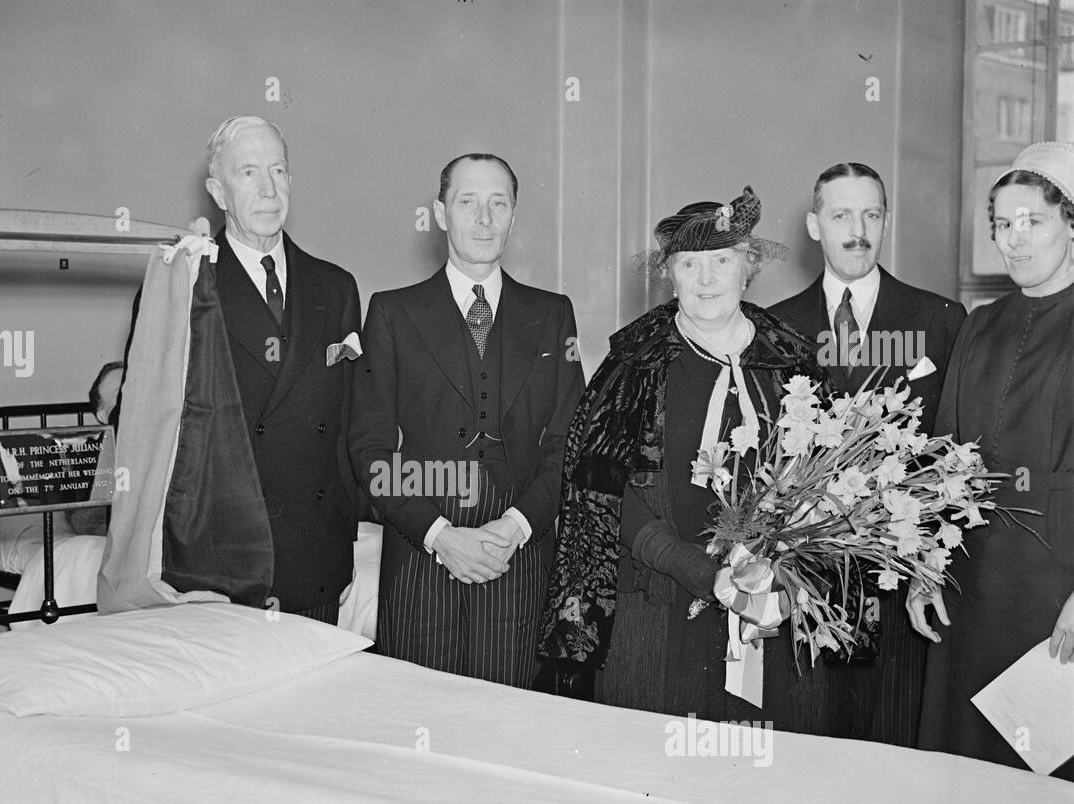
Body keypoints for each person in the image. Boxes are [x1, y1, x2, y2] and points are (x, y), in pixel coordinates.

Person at [539, 187, 832, 727]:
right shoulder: (633, 363)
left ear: (748, 267)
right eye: (688, 264)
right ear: (667, 275)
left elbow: (828, 481)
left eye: (721, 261)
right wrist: (696, 568)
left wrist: (777, 566)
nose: (705, 279)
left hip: (770, 611)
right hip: (658, 610)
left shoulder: (794, 359)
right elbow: (597, 491)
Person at [349, 153, 582, 688]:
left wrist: (517, 526)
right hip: (421, 554)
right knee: (417, 732)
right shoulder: (392, 312)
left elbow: (570, 443)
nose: (483, 219)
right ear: (440, 213)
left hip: (516, 556)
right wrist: (439, 535)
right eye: (468, 202)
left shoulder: (551, 315)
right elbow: (370, 446)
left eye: (498, 203)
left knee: (510, 734)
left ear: (513, 216)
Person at [123, 116, 362, 622]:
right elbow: (143, 418)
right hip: (218, 557)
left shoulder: (335, 287)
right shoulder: (185, 283)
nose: (269, 188)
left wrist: (344, 533)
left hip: (313, 552)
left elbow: (348, 424)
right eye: (249, 172)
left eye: (278, 170)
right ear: (219, 192)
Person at [770, 162, 967, 747]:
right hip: (810, 589)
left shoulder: (939, 319)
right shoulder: (777, 327)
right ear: (814, 225)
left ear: (886, 222)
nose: (858, 230)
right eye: (841, 215)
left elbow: (955, 449)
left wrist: (930, 564)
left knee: (897, 749)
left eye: (871, 215)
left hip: (903, 583)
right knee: (812, 751)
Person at [913, 141, 1074, 781]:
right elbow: (945, 456)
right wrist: (923, 563)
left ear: (1072, 223)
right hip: (969, 589)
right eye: (1003, 225)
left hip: (1055, 596)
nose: (1014, 240)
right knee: (967, 782)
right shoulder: (980, 325)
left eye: (1032, 221)